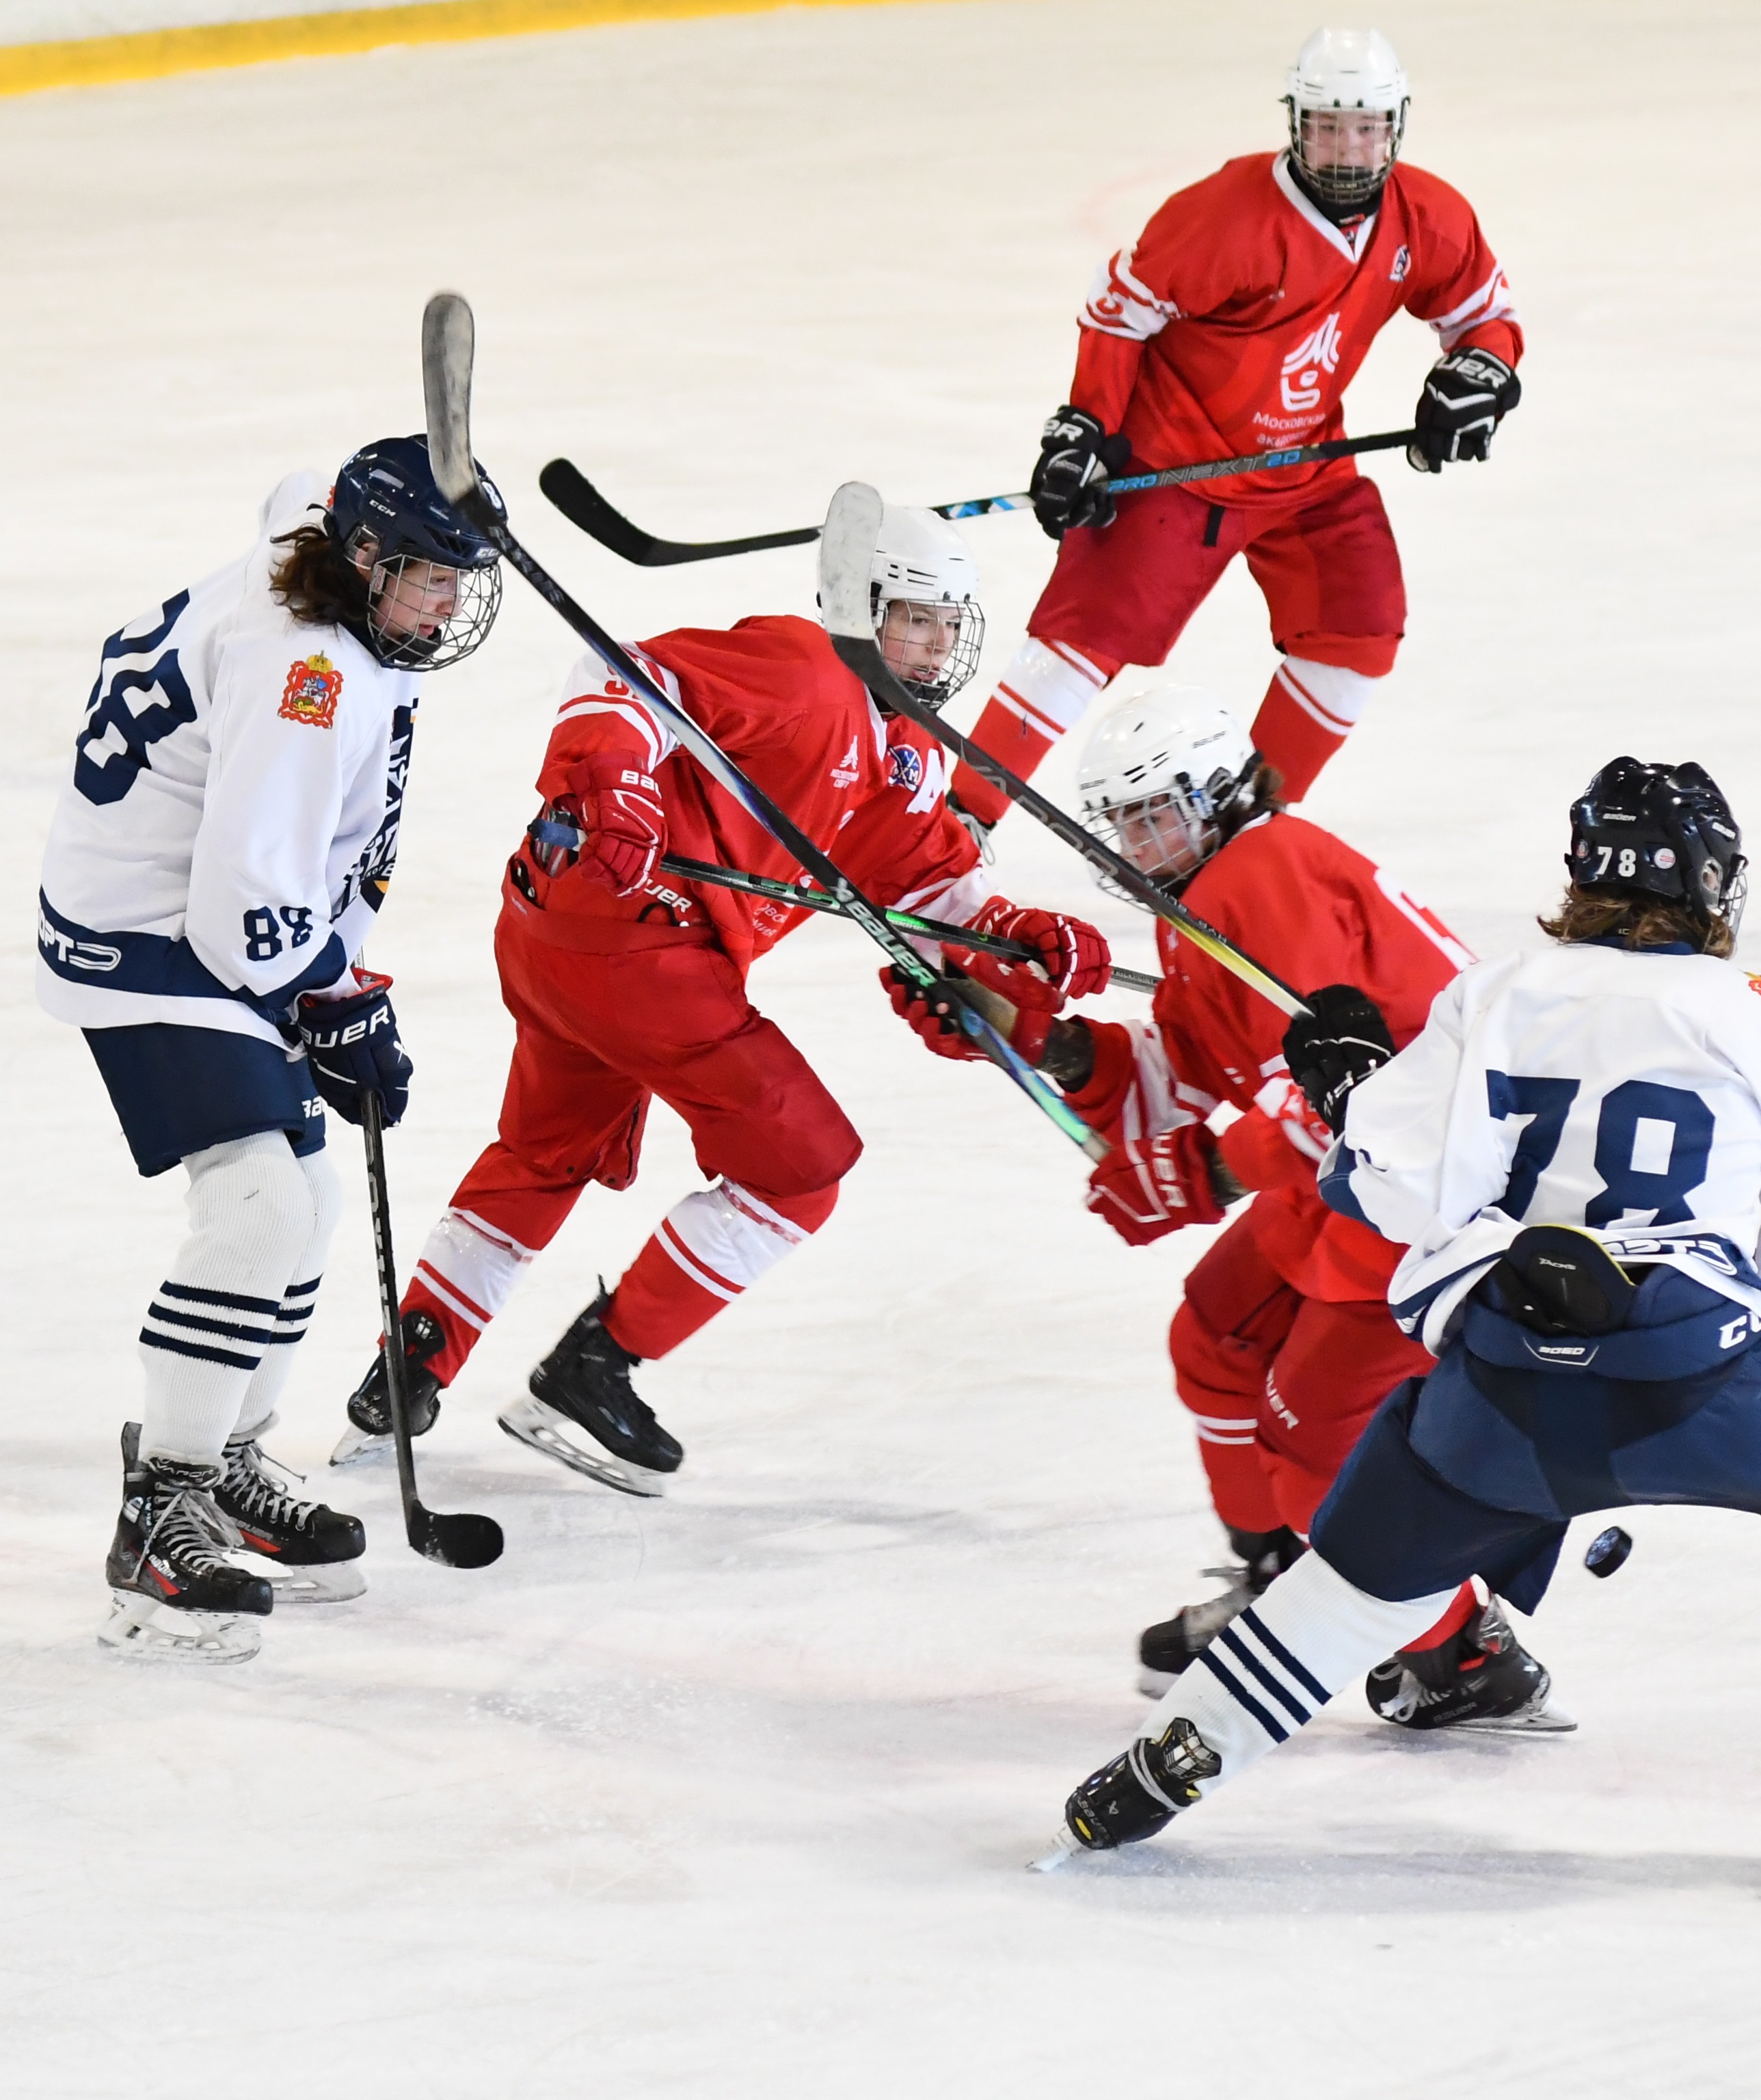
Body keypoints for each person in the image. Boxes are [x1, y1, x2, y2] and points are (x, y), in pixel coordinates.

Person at [1046, 757, 1761, 1913]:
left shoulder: (1493, 994)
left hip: (1495, 1398)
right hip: (1708, 1382)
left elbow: (1389, 1191)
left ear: (1579, 878)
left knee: (1355, 1582)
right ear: (1712, 886)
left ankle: (1155, 1772)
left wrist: (1347, 1100)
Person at [340, 509, 1112, 1494]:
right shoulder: (806, 670)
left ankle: (413, 1360)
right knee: (801, 1166)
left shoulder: (901, 744)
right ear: (860, 605)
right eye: (915, 619)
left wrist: (1008, 939)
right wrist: (618, 783)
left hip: (561, 934)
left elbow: (920, 891)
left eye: (950, 623)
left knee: (547, 1152)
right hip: (640, 943)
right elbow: (618, 679)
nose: (939, 644)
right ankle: (595, 1366)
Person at [892, 686, 1565, 1731]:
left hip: (1432, 1205)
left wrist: (1199, 1173)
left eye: (1154, 811)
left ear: (1214, 797)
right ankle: (1282, 1581)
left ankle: (1468, 1652)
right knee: (1214, 1329)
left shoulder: (1264, 872)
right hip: (1364, 1183)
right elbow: (1190, 1073)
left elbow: (1346, 1089)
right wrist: (1043, 1040)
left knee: (1313, 1462)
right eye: (1122, 819)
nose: (1134, 838)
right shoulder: (1211, 896)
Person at [36, 439, 505, 1662]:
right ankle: (161, 1510)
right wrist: (334, 999)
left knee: (306, 1199)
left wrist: (437, 494)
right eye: (430, 579)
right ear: (360, 559)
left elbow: (305, 475)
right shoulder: (313, 680)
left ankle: (228, 1459)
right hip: (148, 934)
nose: (450, 604)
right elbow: (244, 908)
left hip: (197, 910)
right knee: (255, 1206)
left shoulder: (319, 544)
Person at [950, 26, 1522, 831]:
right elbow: (1119, 316)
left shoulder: (1426, 214)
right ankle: (956, 825)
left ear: (1396, 126)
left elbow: (1483, 317)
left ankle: (1243, 830)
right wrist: (1085, 430)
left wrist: (1480, 375)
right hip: (1176, 467)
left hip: (1305, 465)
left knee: (1358, 627)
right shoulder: (1222, 217)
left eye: (1367, 128)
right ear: (1295, 124)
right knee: (1081, 644)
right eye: (1327, 127)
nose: (1348, 150)